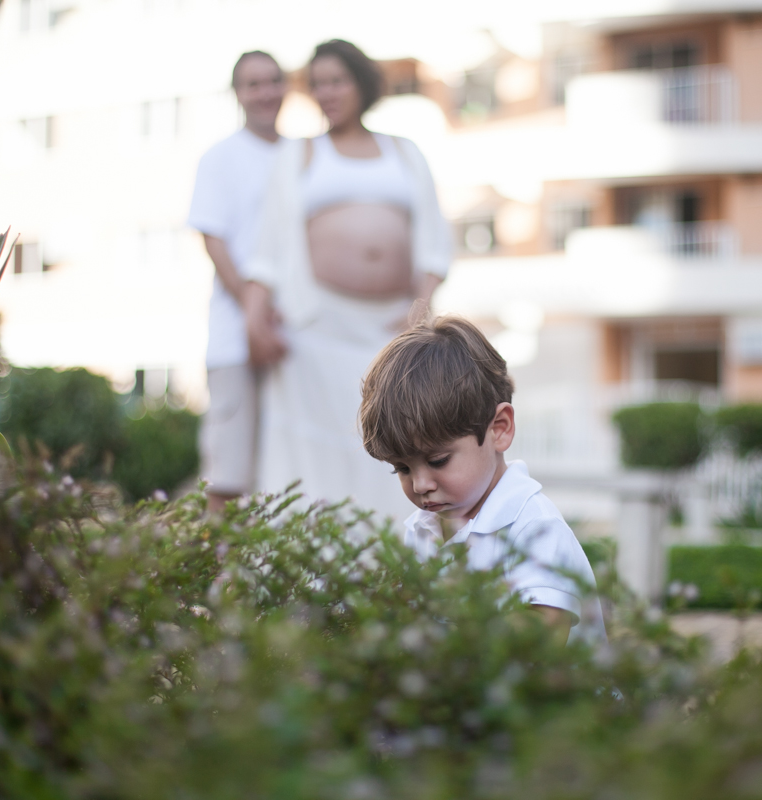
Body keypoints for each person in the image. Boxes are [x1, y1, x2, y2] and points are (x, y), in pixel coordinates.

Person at [243, 39, 451, 521]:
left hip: (389, 330)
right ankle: (314, 570)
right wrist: (255, 318)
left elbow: (436, 240)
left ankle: (387, 565)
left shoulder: (403, 152)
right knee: (316, 448)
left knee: (390, 439)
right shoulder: (300, 156)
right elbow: (268, 247)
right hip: (315, 328)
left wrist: (419, 311)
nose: (326, 92)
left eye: (336, 80)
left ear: (361, 82)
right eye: (316, 84)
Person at [358, 316, 606, 646]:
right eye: (401, 469)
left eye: (437, 461)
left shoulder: (533, 528)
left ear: (499, 429)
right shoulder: (422, 530)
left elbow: (541, 640)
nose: (420, 485)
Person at [187, 51, 286, 514]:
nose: (265, 92)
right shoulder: (220, 158)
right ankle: (222, 583)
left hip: (294, 339)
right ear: (238, 94)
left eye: (273, 81)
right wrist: (255, 312)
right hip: (236, 342)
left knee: (286, 473)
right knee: (229, 476)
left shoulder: (302, 155)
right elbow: (215, 240)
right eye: (253, 84)